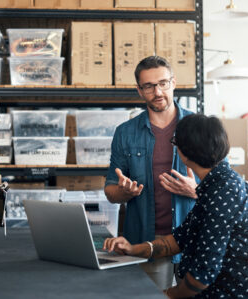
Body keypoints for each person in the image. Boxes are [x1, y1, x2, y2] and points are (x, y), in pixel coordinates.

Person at [104, 114, 248, 298]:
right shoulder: (215, 186)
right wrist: (133, 249)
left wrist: (166, 294)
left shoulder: (223, 193)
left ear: (184, 154)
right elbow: (178, 240)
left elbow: (202, 275)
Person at [104, 56, 198, 290]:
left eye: (163, 83)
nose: (157, 91)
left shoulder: (200, 127)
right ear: (139, 90)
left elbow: (227, 188)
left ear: (173, 83)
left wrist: (195, 190)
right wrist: (124, 192)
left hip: (196, 241)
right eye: (149, 86)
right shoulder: (125, 133)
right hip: (148, 242)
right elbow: (110, 191)